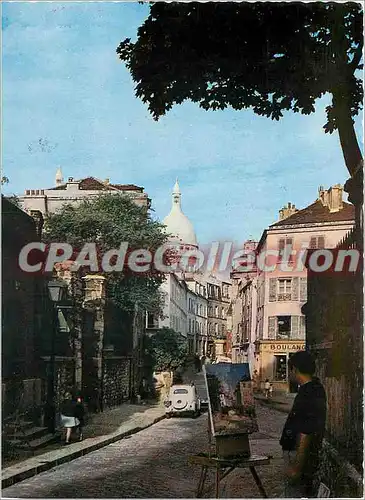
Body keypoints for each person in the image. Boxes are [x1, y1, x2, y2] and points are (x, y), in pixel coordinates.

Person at [280, 351, 326, 498]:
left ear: (295, 369)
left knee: (295, 493)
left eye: (290, 370)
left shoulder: (308, 393)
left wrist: (297, 468)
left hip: (299, 455)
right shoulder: (314, 388)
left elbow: (306, 432)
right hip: (302, 454)